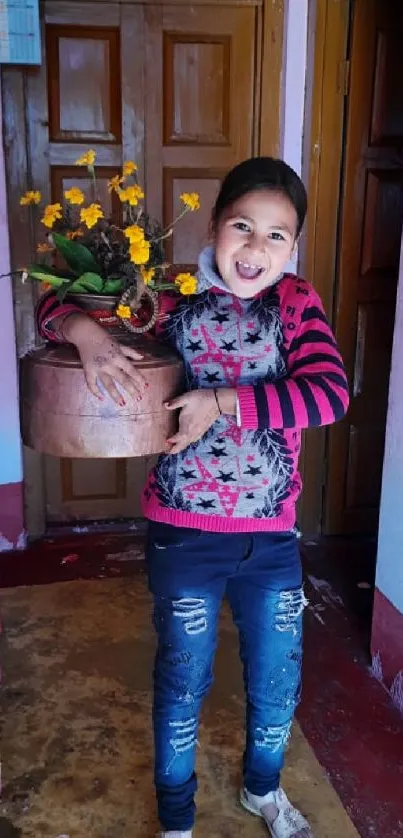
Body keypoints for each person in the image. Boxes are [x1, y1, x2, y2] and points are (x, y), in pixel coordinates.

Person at [36, 157, 349, 838]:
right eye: (241, 226)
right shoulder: (170, 297)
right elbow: (54, 301)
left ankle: (261, 791)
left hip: (269, 538)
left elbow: (327, 394)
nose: (254, 249)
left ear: (291, 248)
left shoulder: (294, 301)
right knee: (182, 683)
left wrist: (219, 400)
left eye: (276, 235)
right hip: (184, 536)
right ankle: (176, 821)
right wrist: (88, 336)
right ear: (211, 227)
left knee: (274, 682)